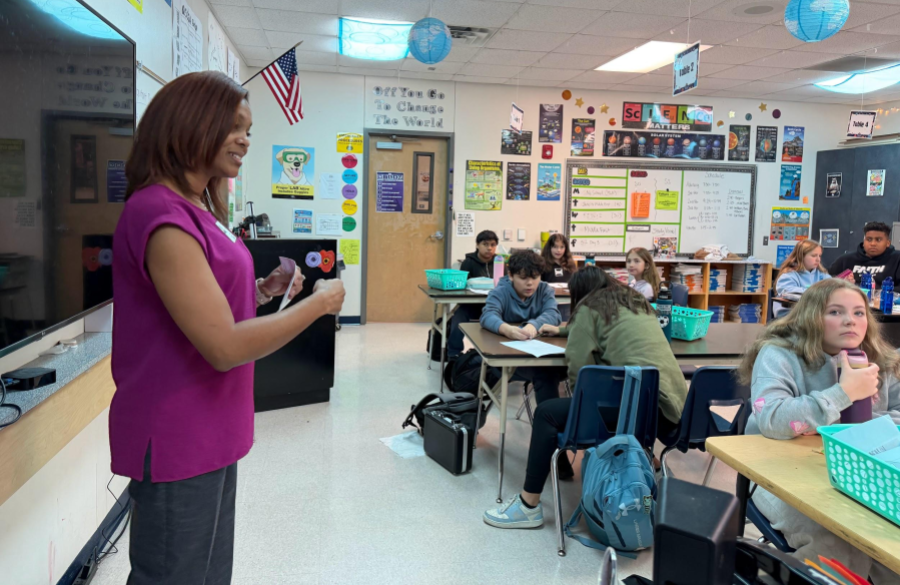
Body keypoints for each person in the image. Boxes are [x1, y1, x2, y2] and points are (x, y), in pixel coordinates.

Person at [110, 71, 345, 584]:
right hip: (178, 432)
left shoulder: (201, 206)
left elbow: (204, 303)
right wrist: (318, 305)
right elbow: (220, 345)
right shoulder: (160, 213)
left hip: (214, 424)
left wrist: (261, 292)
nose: (244, 140)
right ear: (192, 124)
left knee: (209, 575)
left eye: (249, 130)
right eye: (234, 126)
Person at [483, 266, 687, 529]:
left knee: (546, 412)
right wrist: (565, 330)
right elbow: (608, 327)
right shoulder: (636, 303)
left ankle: (528, 505)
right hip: (667, 413)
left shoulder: (588, 309)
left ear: (580, 294)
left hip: (632, 410)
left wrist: (583, 415)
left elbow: (579, 372)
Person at [738, 279, 900, 582]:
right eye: (835, 312)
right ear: (811, 316)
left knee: (884, 544)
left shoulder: (879, 357)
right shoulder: (779, 355)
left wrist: (872, 421)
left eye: (859, 312)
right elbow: (772, 419)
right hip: (774, 475)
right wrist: (843, 394)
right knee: (837, 541)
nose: (850, 320)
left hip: (856, 475)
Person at [480, 250, 564, 405]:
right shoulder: (500, 292)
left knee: (572, 366)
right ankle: (549, 422)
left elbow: (553, 313)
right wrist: (507, 329)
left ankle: (558, 419)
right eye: (523, 278)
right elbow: (488, 316)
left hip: (542, 354)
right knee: (546, 374)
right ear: (511, 275)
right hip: (510, 359)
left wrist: (534, 324)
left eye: (535, 277)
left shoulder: (544, 290)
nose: (530, 283)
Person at [447, 230, 499, 360]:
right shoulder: (468, 262)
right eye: (485, 244)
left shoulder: (499, 262)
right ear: (477, 245)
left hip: (494, 306)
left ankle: (498, 353)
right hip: (471, 305)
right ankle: (454, 354)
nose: (489, 248)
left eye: (493, 245)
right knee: (458, 319)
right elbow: (462, 285)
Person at [828, 221, 900, 287]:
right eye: (869, 239)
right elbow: (826, 281)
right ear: (864, 241)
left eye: (878, 240)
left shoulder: (897, 259)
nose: (872, 243)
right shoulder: (845, 260)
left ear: (888, 243)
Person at [773, 240, 831, 318]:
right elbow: (787, 291)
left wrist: (843, 284)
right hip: (791, 315)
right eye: (814, 256)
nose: (818, 259)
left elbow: (832, 287)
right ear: (801, 256)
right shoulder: (789, 274)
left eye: (819, 256)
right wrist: (815, 291)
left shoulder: (821, 274)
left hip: (813, 314)